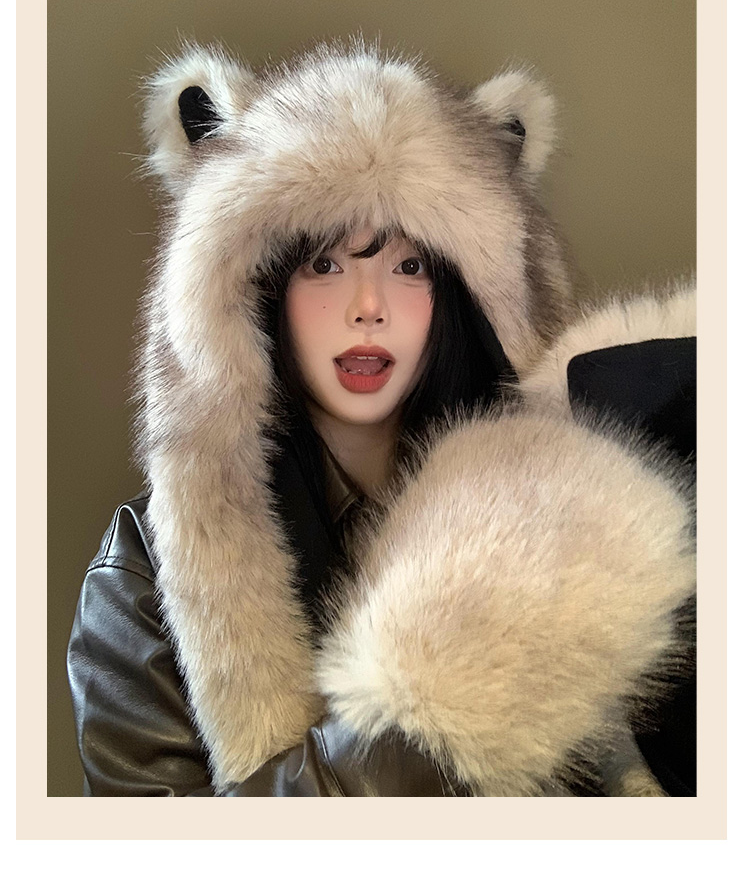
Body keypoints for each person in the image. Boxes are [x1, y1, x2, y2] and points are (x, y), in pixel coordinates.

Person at [67, 39, 696, 797]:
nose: (369, 307)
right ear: (258, 287)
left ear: (456, 295)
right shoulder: (140, 573)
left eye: (408, 266)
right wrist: (429, 713)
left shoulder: (567, 521)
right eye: (324, 265)